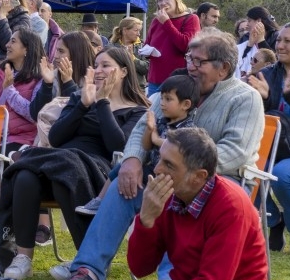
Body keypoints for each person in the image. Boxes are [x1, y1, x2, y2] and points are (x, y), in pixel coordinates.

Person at [57, 30, 264, 280]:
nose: (191, 66)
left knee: (170, 191)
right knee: (125, 184)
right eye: (190, 58)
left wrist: (181, 169)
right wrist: (132, 160)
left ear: (224, 68)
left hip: (221, 182)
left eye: (199, 62)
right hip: (167, 173)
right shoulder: (177, 86)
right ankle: (87, 270)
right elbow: (143, 128)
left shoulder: (245, 98)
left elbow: (236, 151)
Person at [0, 47, 148, 280]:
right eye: (96, 65)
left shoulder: (137, 110)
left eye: (105, 65)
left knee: (54, 171)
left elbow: (118, 147)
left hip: (97, 171)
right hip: (58, 162)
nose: (98, 70)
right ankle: (23, 258)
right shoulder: (80, 98)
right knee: (27, 176)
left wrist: (101, 103)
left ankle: (86, 261)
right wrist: (82, 105)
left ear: (123, 72)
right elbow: (56, 138)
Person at [127, 128, 268, 280]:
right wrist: (146, 219)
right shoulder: (169, 195)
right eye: (160, 159)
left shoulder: (231, 207)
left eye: (169, 164)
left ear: (199, 176)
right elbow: (139, 268)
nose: (157, 169)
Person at [76, 74, 199, 215]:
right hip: (152, 169)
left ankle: (107, 205)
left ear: (186, 105)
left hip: (166, 176)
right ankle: (99, 200)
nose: (162, 103)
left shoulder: (188, 129)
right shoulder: (162, 122)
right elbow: (146, 146)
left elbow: (175, 148)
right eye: (162, 98)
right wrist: (149, 129)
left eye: (168, 99)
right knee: (120, 168)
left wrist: (155, 138)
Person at [247, 22, 290, 253]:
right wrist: (263, 99)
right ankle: (275, 221)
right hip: (273, 146)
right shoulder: (267, 73)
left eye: (288, 41)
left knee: (283, 174)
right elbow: (260, 116)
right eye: (279, 40)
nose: (280, 45)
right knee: (244, 171)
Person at [0, 28, 45, 150]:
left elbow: (32, 114)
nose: (7, 45)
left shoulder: (39, 78)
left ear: (27, 48)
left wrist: (9, 90)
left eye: (13, 41)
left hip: (19, 140)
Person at [142, 0, 200, 96]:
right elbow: (147, 44)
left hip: (178, 80)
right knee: (154, 112)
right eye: (159, 0)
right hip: (155, 79)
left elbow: (186, 46)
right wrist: (146, 51)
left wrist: (167, 23)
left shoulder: (191, 19)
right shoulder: (156, 21)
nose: (163, 3)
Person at [29, 31, 96, 119]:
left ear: (76, 54)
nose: (56, 56)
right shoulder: (54, 76)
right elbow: (35, 114)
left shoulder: (93, 80)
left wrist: (68, 83)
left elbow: (79, 115)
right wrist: (47, 85)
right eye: (56, 50)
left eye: (61, 51)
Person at [237, 7, 281, 79]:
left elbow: (274, 60)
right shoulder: (245, 37)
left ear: (258, 21)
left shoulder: (276, 37)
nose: (247, 24)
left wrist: (261, 41)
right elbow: (240, 58)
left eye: (249, 21)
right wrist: (249, 46)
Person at [110, 16, 148, 90]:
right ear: (125, 30)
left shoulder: (142, 47)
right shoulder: (111, 47)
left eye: (139, 31)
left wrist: (133, 59)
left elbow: (147, 69)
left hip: (138, 89)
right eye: (136, 30)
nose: (138, 34)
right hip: (117, 89)